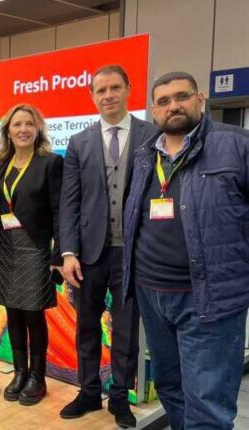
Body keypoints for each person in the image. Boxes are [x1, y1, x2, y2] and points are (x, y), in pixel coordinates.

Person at [122, 71, 249, 430]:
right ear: (153, 110)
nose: (173, 106)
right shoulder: (145, 155)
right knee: (171, 388)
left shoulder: (237, 145)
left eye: (181, 97)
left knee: (207, 405)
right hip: (152, 294)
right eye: (163, 101)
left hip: (209, 298)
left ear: (200, 99)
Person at [59, 65, 159, 428]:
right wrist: (68, 252)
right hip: (89, 253)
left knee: (127, 330)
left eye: (115, 87)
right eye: (100, 90)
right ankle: (88, 391)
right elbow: (69, 201)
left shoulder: (152, 135)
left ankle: (119, 397)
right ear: (91, 96)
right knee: (86, 325)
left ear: (128, 89)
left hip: (134, 252)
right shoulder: (79, 141)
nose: (108, 95)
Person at [0, 103, 63, 406]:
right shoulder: (0, 164)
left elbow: (59, 212)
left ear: (37, 129)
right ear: (8, 131)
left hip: (34, 247)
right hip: (4, 246)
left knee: (33, 313)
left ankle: (37, 376)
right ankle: (20, 372)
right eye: (17, 124)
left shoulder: (50, 163)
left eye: (29, 124)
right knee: (13, 311)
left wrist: (59, 254)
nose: (23, 130)